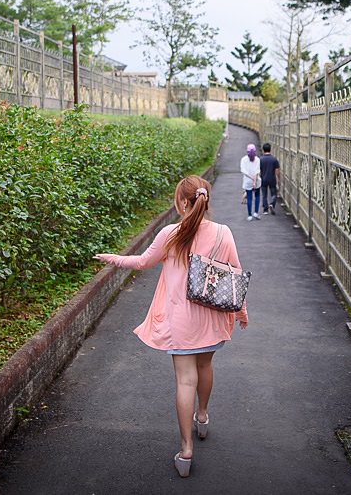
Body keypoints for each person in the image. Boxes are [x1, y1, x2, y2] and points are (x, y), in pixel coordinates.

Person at [94, 175, 248, 478]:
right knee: (205, 367)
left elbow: (142, 263)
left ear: (182, 202)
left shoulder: (171, 233)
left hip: (181, 320)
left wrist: (112, 258)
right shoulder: (223, 233)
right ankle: (202, 416)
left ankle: (186, 449)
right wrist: (241, 312)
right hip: (212, 318)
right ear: (205, 199)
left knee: (184, 381)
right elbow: (235, 275)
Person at [240, 143, 262, 220]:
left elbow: (243, 171)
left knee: (249, 198)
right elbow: (257, 172)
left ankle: (249, 215)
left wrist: (252, 180)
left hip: (247, 182)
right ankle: (256, 213)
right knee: (257, 196)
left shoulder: (243, 160)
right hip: (257, 181)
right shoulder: (257, 160)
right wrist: (255, 181)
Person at [259, 142, 280, 215]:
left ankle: (265, 210)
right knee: (274, 194)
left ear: (263, 150)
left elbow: (259, 170)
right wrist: (278, 179)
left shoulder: (260, 159)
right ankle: (272, 204)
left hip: (263, 179)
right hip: (272, 179)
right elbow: (277, 171)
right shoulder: (274, 159)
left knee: (264, 195)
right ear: (270, 149)